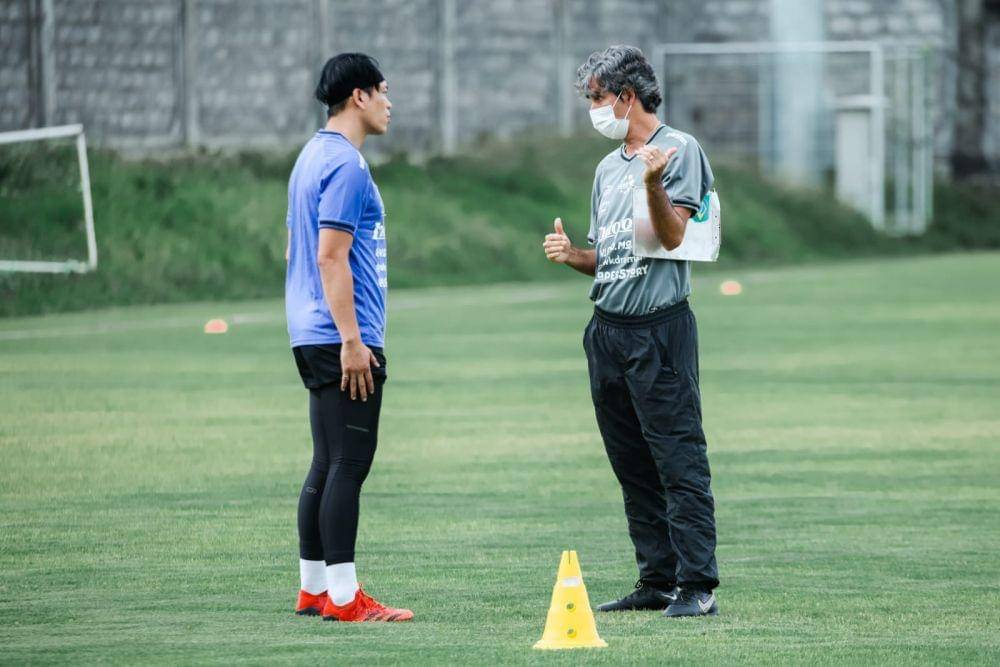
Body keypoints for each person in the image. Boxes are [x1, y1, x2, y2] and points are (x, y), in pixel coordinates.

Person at [542, 45, 720, 617]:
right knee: (631, 462)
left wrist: (653, 184)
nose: (593, 109)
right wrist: (574, 256)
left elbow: (672, 238)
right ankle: (657, 580)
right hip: (607, 332)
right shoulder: (604, 168)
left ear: (627, 95)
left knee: (677, 458)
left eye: (596, 97)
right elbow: (615, 255)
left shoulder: (679, 150)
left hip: (659, 329)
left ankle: (698, 586)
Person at [284, 53, 411, 622]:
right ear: (358, 96)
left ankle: (314, 588)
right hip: (341, 336)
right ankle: (343, 597)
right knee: (349, 463)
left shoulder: (309, 157)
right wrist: (353, 340)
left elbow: (296, 251)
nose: (389, 102)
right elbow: (330, 257)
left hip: (309, 330)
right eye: (383, 91)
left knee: (326, 460)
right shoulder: (347, 165)